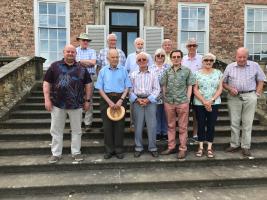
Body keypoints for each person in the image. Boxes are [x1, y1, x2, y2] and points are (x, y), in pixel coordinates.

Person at [43, 44, 92, 164]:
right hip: (58, 104)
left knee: (77, 130)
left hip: (76, 105)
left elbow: (88, 85)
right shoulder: (55, 66)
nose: (70, 54)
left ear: (76, 54)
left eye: (72, 52)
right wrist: (47, 99)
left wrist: (87, 100)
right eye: (68, 52)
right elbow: (46, 82)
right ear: (63, 52)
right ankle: (56, 154)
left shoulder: (82, 68)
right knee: (56, 130)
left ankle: (76, 152)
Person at [223, 47, 266, 157]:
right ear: (235, 56)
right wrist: (229, 89)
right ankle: (234, 144)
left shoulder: (254, 65)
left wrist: (256, 94)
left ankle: (245, 146)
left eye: (244, 57)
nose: (241, 59)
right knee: (234, 122)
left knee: (248, 123)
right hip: (234, 97)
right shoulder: (229, 67)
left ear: (247, 56)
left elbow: (261, 80)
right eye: (239, 57)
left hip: (250, 95)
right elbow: (223, 83)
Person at [95, 49, 132, 159]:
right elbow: (100, 89)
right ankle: (109, 150)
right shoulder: (103, 71)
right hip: (106, 99)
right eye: (113, 57)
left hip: (121, 98)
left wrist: (121, 99)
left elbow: (127, 86)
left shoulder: (124, 70)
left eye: (117, 57)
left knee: (119, 126)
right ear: (108, 58)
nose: (115, 59)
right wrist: (109, 102)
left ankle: (119, 150)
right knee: (107, 127)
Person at [161, 50, 195, 160]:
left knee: (183, 127)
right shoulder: (167, 71)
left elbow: (190, 85)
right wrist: (165, 97)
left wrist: (188, 99)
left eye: (178, 56)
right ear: (171, 58)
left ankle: (182, 149)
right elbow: (163, 84)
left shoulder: (187, 71)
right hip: (169, 102)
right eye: (174, 57)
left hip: (182, 102)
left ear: (181, 58)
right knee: (171, 126)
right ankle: (171, 147)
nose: (176, 58)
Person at [129, 52, 160, 158]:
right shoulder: (132, 74)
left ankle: (153, 147)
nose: (142, 61)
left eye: (144, 59)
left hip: (150, 102)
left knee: (152, 125)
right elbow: (129, 90)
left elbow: (157, 89)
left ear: (147, 61)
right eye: (139, 60)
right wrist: (137, 99)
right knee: (138, 125)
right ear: (136, 62)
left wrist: (148, 99)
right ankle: (138, 147)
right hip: (137, 102)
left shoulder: (153, 73)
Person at [193, 53, 223, 158]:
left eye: (211, 60)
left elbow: (220, 88)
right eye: (206, 60)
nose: (208, 62)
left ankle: (209, 147)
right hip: (199, 103)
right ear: (202, 61)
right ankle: (200, 147)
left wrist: (211, 100)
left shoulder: (218, 73)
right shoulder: (197, 73)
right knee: (201, 124)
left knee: (211, 125)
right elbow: (195, 89)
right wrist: (204, 101)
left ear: (213, 62)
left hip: (214, 103)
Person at [182, 38, 203, 143]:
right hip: (184, 90)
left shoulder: (201, 59)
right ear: (186, 47)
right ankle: (184, 135)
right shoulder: (183, 59)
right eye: (189, 45)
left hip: (197, 90)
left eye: (194, 45)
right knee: (184, 113)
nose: (191, 47)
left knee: (196, 113)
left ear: (196, 47)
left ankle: (195, 134)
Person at [76, 33, 96, 132]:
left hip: (90, 77)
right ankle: (77, 123)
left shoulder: (92, 51)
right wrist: (85, 62)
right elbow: (74, 63)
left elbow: (93, 63)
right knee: (77, 98)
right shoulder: (75, 51)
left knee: (89, 99)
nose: (85, 42)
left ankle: (88, 123)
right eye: (83, 40)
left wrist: (80, 61)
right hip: (77, 77)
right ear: (79, 41)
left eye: (87, 40)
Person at [151, 48, 170, 141]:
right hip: (155, 96)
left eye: (162, 55)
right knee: (157, 115)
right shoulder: (150, 68)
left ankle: (165, 132)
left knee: (166, 115)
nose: (160, 57)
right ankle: (158, 132)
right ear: (155, 57)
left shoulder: (168, 67)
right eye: (158, 55)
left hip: (166, 95)